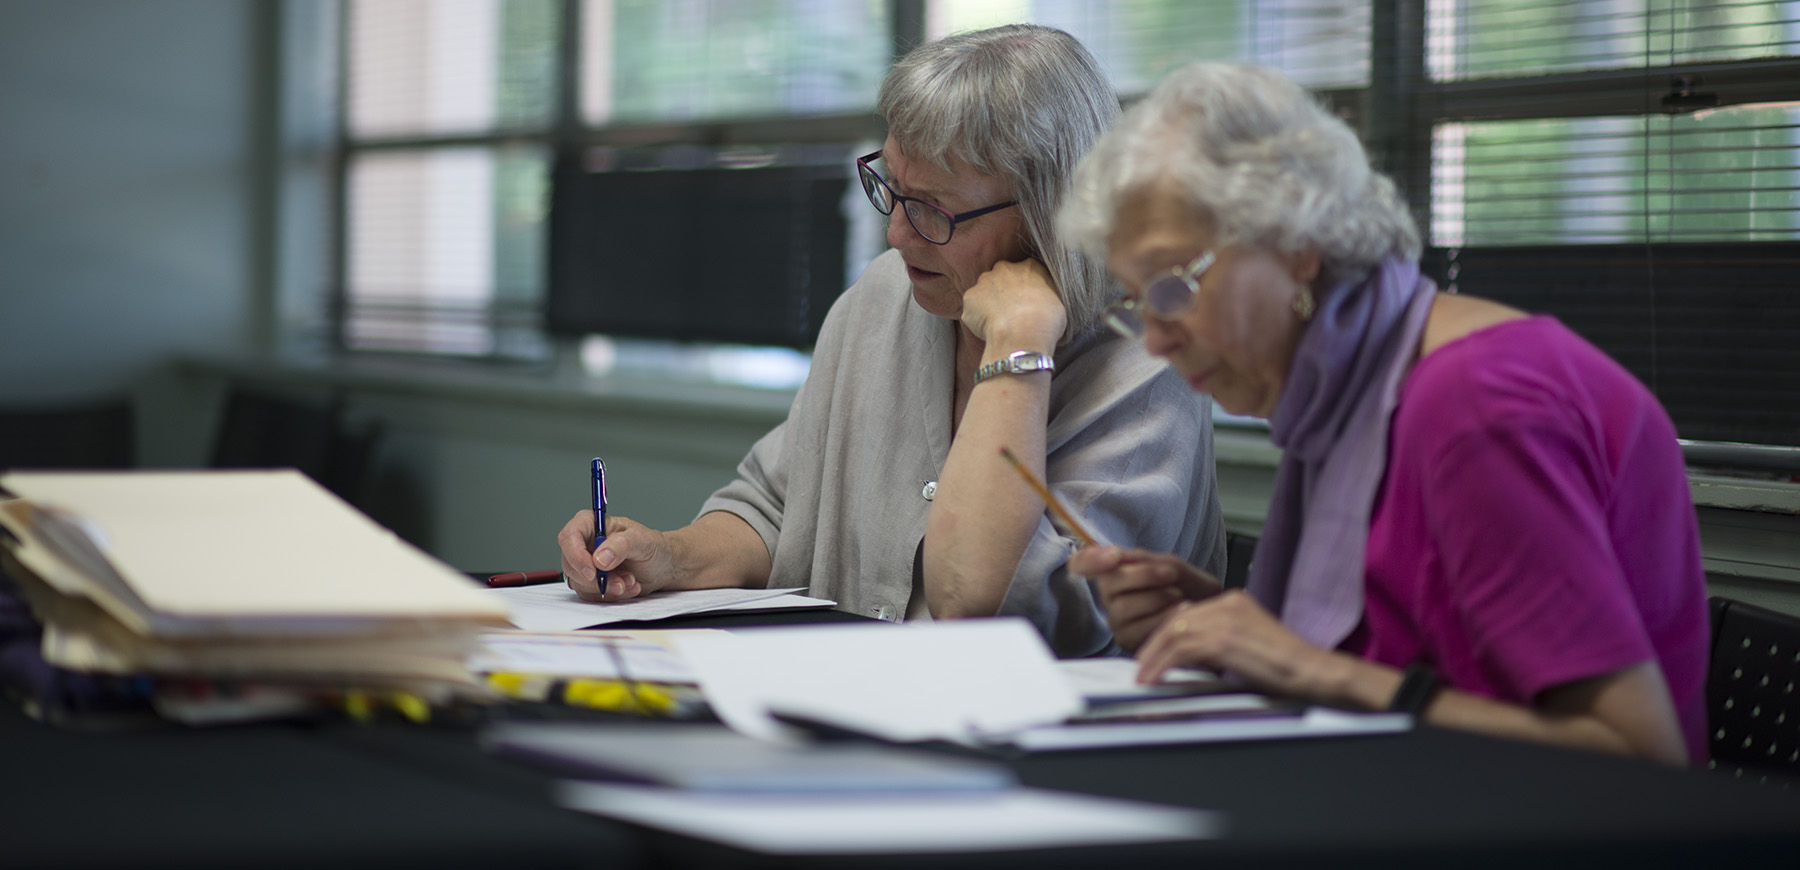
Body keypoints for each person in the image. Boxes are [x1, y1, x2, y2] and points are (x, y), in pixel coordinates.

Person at [1059, 62, 1708, 763]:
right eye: (1135, 303)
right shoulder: (1352, 384)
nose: (1155, 338)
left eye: (1172, 286)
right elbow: (1409, 649)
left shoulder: (1477, 405)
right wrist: (1217, 630)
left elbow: (1641, 754)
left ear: (1297, 245)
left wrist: (1309, 669)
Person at [557, 25, 1228, 657]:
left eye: (933, 209)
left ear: (1052, 215)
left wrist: (1018, 341)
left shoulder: (1144, 362)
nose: (897, 236)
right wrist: (669, 558)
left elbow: (993, 604)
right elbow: (772, 510)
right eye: (893, 190)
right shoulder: (888, 296)